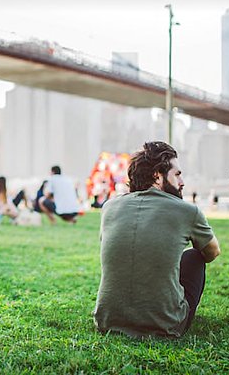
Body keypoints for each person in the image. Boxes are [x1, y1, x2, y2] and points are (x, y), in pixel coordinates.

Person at [94, 141, 221, 338]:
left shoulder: (110, 207)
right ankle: (168, 313)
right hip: (164, 324)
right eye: (177, 174)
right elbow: (212, 252)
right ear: (157, 175)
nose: (182, 182)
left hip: (107, 320)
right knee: (194, 257)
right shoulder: (187, 210)